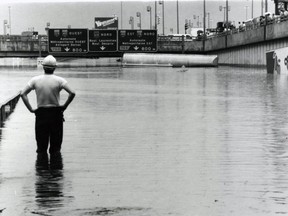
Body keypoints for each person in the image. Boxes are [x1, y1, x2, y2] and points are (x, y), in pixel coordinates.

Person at [21, 55, 75, 158]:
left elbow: (23, 94)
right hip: (56, 114)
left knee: (41, 148)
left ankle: (41, 171)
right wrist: (64, 106)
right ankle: (56, 171)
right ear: (55, 67)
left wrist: (31, 109)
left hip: (41, 113)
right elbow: (72, 93)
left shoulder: (35, 80)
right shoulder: (60, 80)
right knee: (55, 148)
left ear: (43, 67)